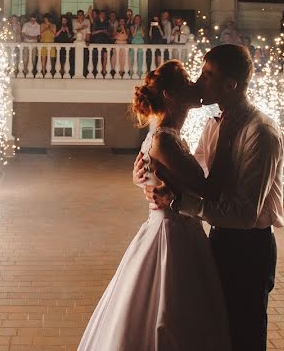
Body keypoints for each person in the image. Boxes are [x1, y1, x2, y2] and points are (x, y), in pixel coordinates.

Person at [136, 44, 284, 351]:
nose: (198, 82)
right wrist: (147, 173)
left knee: (245, 334)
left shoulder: (261, 133)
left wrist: (176, 202)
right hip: (215, 239)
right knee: (216, 333)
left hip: (249, 250)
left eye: (207, 75)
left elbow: (244, 214)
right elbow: (197, 175)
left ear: (230, 85)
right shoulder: (214, 124)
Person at [78, 61, 231, 351]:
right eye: (187, 80)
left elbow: (158, 174)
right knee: (173, 316)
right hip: (173, 237)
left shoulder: (166, 136)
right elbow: (209, 190)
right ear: (170, 95)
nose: (195, 83)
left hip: (179, 229)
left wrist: (140, 179)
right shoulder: (164, 139)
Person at [90, 8, 113, 75]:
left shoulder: (107, 23)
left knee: (106, 55)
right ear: (99, 15)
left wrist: (105, 32)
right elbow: (92, 33)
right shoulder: (95, 22)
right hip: (97, 40)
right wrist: (100, 31)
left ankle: (104, 69)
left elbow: (110, 34)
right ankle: (95, 71)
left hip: (105, 40)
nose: (102, 15)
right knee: (97, 56)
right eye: (101, 14)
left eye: (104, 14)